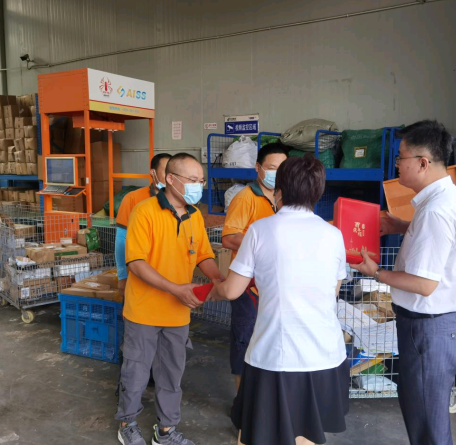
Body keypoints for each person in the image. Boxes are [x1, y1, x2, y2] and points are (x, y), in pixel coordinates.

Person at [351, 120, 456, 445]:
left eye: (401, 157)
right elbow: (441, 241)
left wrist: (375, 273)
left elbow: (423, 284)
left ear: (423, 163)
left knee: (427, 427)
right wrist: (402, 225)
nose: (396, 164)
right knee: (426, 418)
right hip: (440, 326)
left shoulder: (436, 211)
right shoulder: (452, 199)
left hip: (428, 330)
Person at [212, 155, 350, 445]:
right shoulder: (334, 234)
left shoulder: (260, 230)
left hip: (275, 353)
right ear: (318, 192)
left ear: (280, 190)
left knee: (256, 434)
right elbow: (333, 291)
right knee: (308, 434)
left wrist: (213, 287)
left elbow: (232, 290)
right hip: (324, 353)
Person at [115, 153, 224, 445]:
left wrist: (218, 279)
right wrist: (175, 289)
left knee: (171, 376)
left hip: (177, 314)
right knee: (135, 373)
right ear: (170, 179)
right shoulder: (144, 211)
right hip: (144, 312)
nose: (198, 186)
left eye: (201, 181)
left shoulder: (194, 215)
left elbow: (203, 254)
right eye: (193, 180)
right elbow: (136, 262)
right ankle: (127, 423)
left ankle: (165, 431)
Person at [221, 142, 289, 391]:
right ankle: (242, 399)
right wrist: (264, 243)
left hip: (273, 283)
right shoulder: (245, 198)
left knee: (271, 340)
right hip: (247, 284)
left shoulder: (285, 199)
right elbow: (229, 238)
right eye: (271, 167)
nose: (276, 173)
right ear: (258, 168)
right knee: (245, 339)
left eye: (282, 168)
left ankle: (263, 397)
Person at [115, 153, 172, 299]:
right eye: (166, 171)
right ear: (153, 172)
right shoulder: (133, 199)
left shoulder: (181, 203)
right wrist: (122, 276)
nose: (170, 176)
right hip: (138, 277)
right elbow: (122, 240)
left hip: (171, 277)